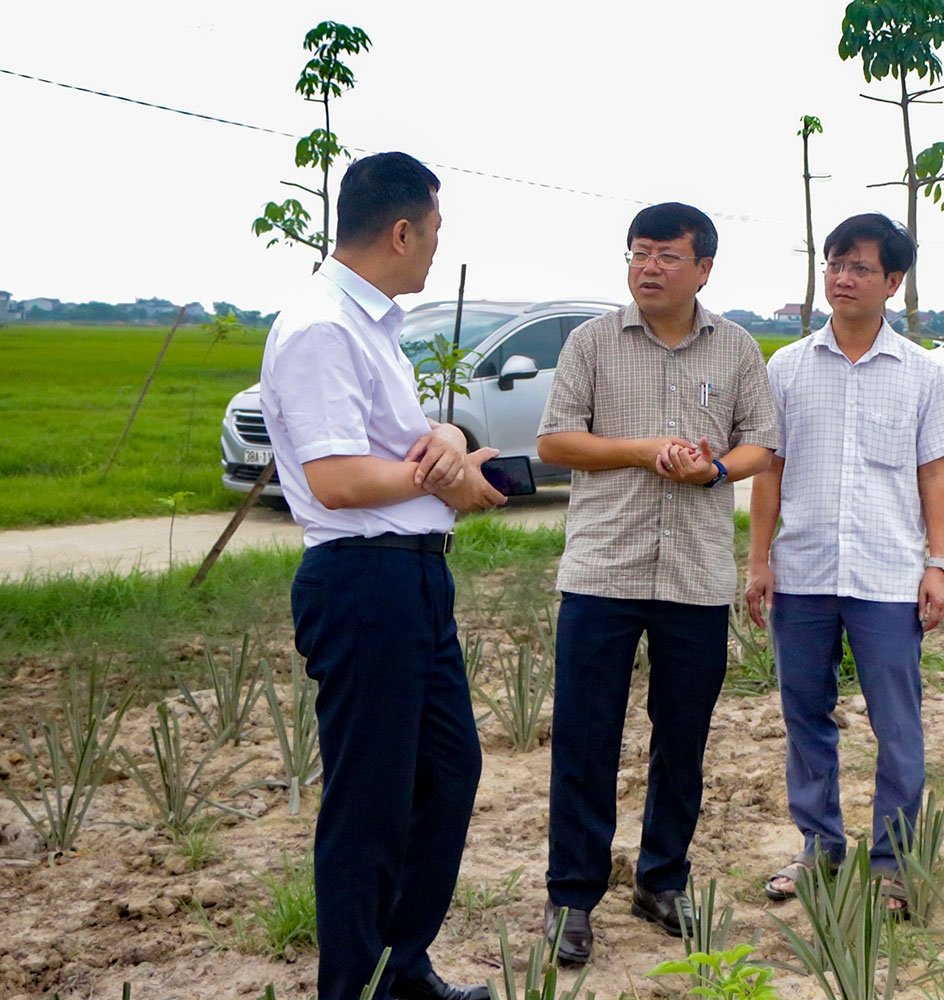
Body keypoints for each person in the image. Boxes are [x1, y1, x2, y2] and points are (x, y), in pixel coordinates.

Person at [259, 151, 503, 1000]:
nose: (436, 250)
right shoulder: (321, 327)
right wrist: (448, 470)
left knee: (447, 770)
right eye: (433, 233)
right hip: (364, 582)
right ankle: (351, 986)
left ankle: (402, 965)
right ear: (401, 231)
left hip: (413, 580)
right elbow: (336, 478)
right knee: (369, 798)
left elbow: (389, 452)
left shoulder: (370, 330)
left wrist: (443, 451)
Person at [536, 202, 778, 965]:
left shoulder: (736, 347)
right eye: (639, 252)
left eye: (667, 255)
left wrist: (711, 468)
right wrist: (642, 450)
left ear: (703, 267)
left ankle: (661, 880)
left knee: (683, 738)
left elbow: (761, 445)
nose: (649, 267)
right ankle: (572, 897)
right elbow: (554, 441)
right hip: (604, 569)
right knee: (585, 736)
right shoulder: (592, 342)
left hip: (695, 577)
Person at [746, 213, 944, 915]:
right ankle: (820, 845)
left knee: (897, 723)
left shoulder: (921, 374)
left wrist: (938, 564)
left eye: (860, 267)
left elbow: (935, 476)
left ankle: (894, 862)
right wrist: (758, 561)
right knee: (805, 713)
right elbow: (770, 473)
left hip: (887, 575)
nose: (842, 277)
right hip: (803, 570)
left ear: (893, 282)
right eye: (835, 263)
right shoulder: (787, 368)